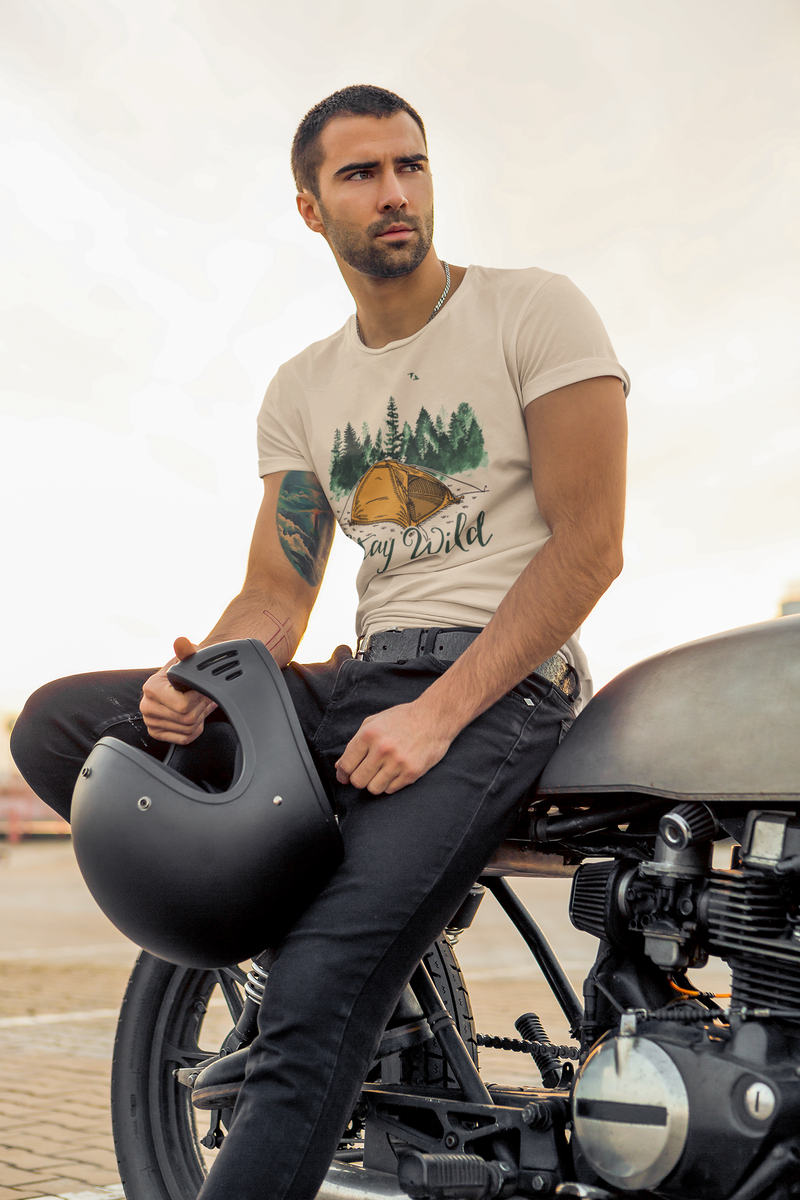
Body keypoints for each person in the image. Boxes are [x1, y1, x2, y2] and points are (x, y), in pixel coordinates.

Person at [11, 85, 629, 1200]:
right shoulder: (303, 387)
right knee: (69, 729)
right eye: (360, 173)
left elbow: (587, 549)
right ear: (310, 208)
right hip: (359, 682)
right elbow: (277, 591)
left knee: (309, 1005)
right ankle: (354, 970)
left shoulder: (534, 310)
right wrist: (194, 685)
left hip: (497, 687)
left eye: (410, 165)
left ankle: (331, 986)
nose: (394, 192)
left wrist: (437, 715)